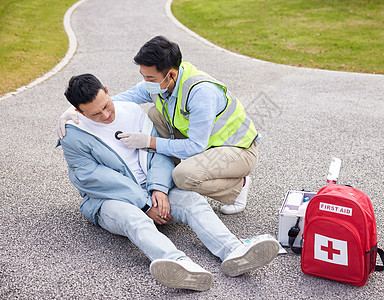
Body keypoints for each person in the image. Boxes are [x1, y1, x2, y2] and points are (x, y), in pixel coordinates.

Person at [57, 74, 279, 291]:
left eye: (107, 105)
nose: (105, 115)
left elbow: (158, 153)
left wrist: (159, 189)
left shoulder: (132, 111)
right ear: (78, 111)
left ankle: (234, 251)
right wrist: (145, 204)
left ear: (107, 90)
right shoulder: (73, 135)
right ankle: (180, 265)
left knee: (193, 201)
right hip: (110, 200)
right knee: (134, 219)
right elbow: (94, 178)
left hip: (152, 190)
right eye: (95, 114)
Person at [57, 36, 259, 215]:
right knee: (156, 114)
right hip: (208, 145)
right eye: (143, 76)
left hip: (236, 149)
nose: (145, 82)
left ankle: (238, 187)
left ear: (170, 74)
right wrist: (77, 112)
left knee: (183, 176)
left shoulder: (201, 93)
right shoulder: (160, 82)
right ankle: (165, 172)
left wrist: (150, 142)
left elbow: (195, 147)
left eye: (149, 77)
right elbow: (117, 100)